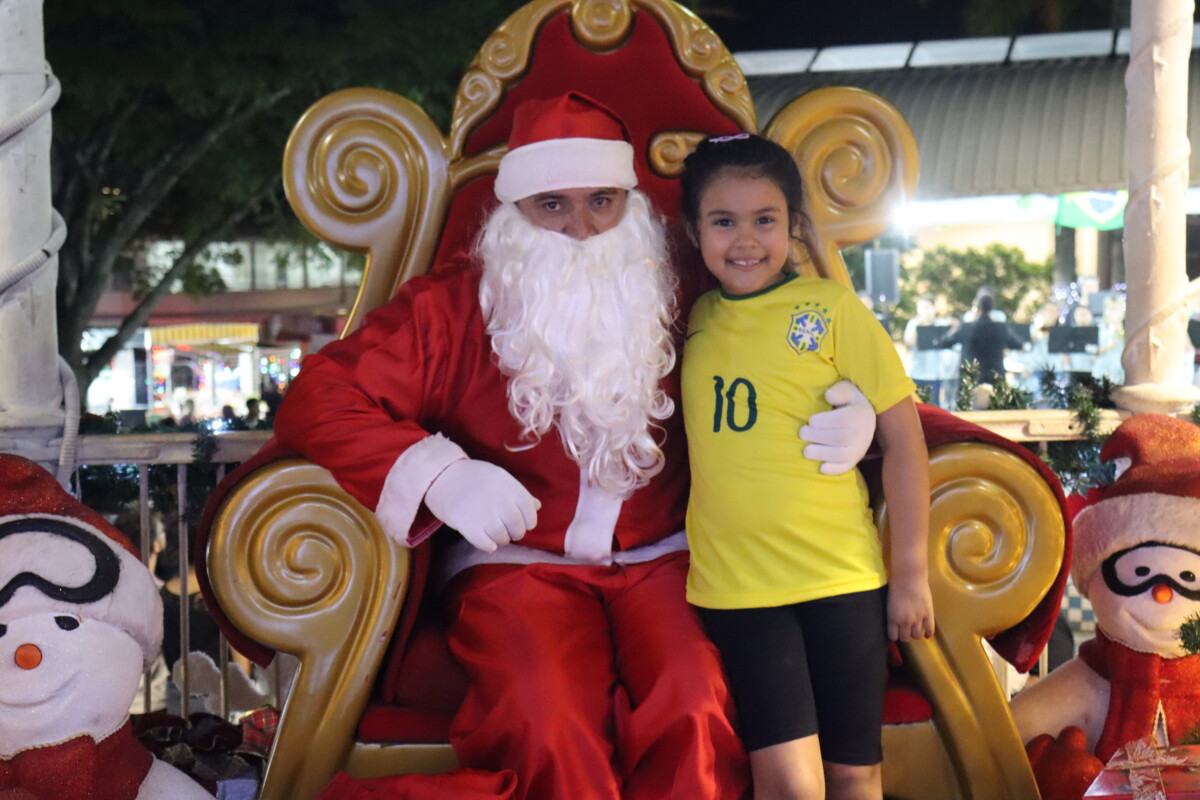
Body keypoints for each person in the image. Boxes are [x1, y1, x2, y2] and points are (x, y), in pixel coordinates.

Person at [272, 93, 878, 799]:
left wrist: (861, 411)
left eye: (601, 201)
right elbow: (320, 396)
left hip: (666, 560)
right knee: (547, 718)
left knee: (695, 701)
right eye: (552, 205)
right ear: (514, 211)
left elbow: (805, 339)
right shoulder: (454, 306)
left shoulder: (690, 285)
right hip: (517, 566)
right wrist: (439, 475)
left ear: (630, 203)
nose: (583, 227)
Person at [677, 133, 934, 800]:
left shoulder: (833, 309)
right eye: (723, 221)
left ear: (792, 225)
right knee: (789, 784)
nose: (745, 240)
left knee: (853, 774)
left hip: (840, 580)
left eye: (764, 220)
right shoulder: (693, 319)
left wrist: (910, 575)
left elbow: (905, 440)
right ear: (694, 231)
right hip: (739, 592)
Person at [936, 288, 1024, 385]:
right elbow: (1019, 344)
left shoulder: (966, 328)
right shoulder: (1001, 328)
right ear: (992, 308)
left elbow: (944, 342)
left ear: (977, 307)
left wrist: (953, 329)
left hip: (971, 378)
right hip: (994, 377)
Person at [902, 294, 948, 407]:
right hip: (917, 374)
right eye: (921, 308)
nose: (924, 311)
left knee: (934, 407)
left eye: (927, 307)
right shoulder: (913, 323)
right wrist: (919, 326)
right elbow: (909, 342)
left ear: (934, 308)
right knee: (917, 407)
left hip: (935, 375)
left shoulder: (940, 324)